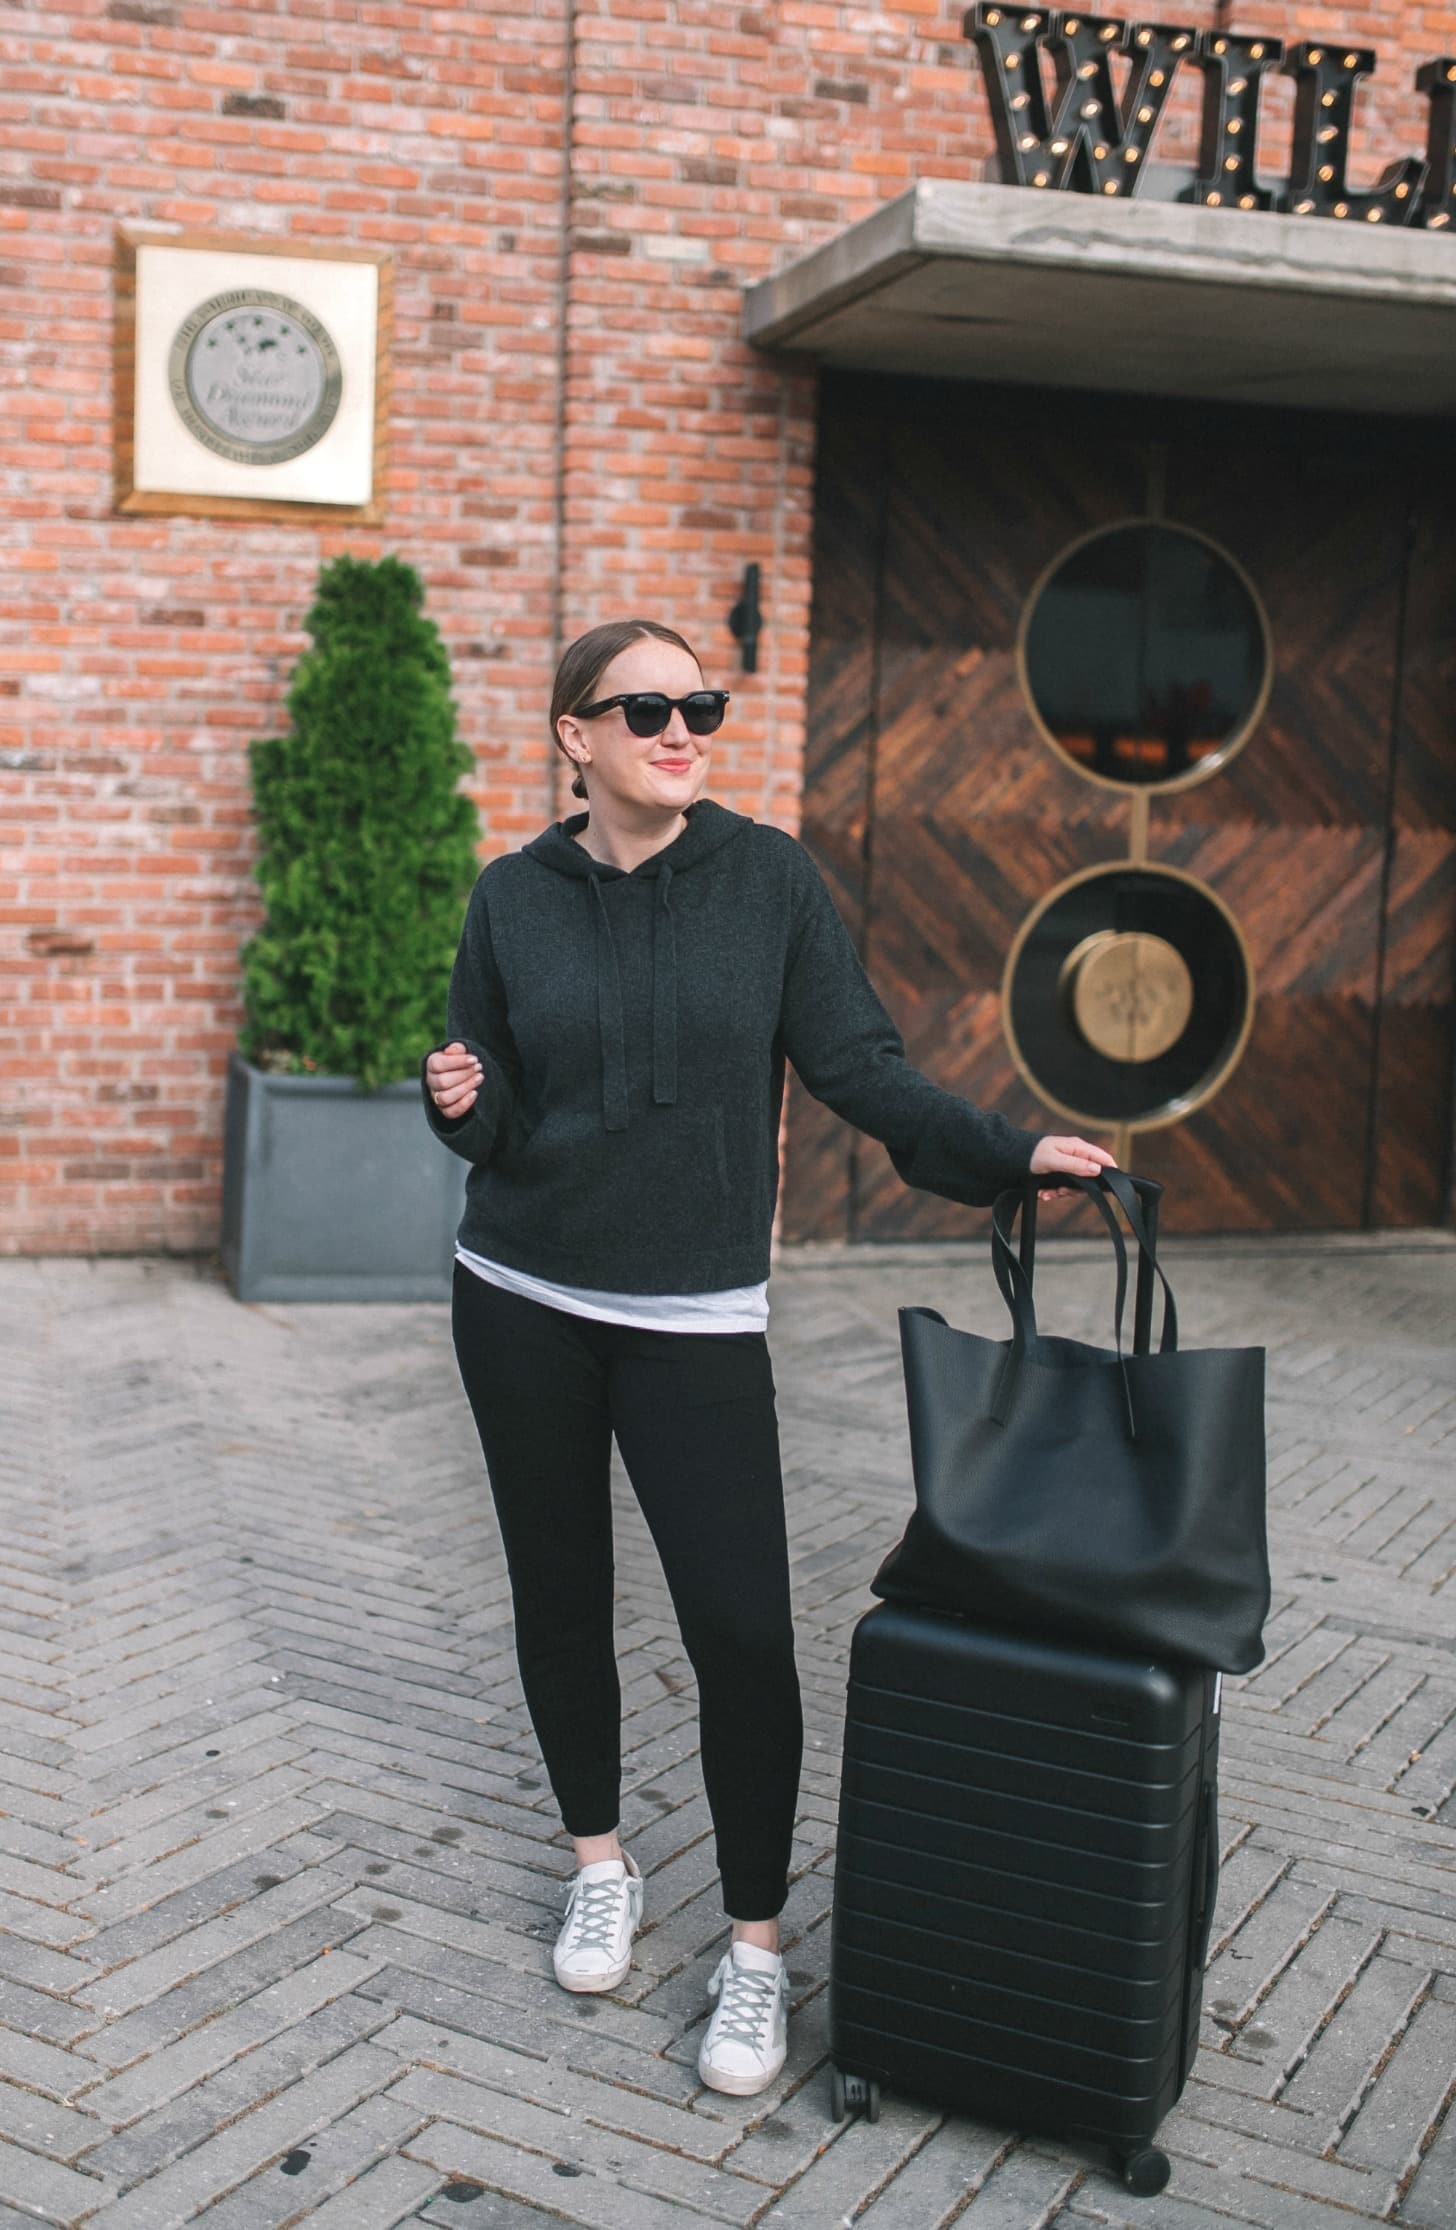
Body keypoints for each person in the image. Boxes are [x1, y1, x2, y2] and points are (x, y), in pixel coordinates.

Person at [422, 618, 1115, 2098]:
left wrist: (1004, 1153)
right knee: (560, 1596)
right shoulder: (510, 897)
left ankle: (753, 1945)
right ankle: (598, 1860)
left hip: (692, 1321)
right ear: (575, 736)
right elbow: (492, 1102)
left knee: (740, 1630)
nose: (683, 729)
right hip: (522, 1293)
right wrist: (455, 1100)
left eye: (701, 705)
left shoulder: (769, 878)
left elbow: (859, 1062)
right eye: (650, 707)